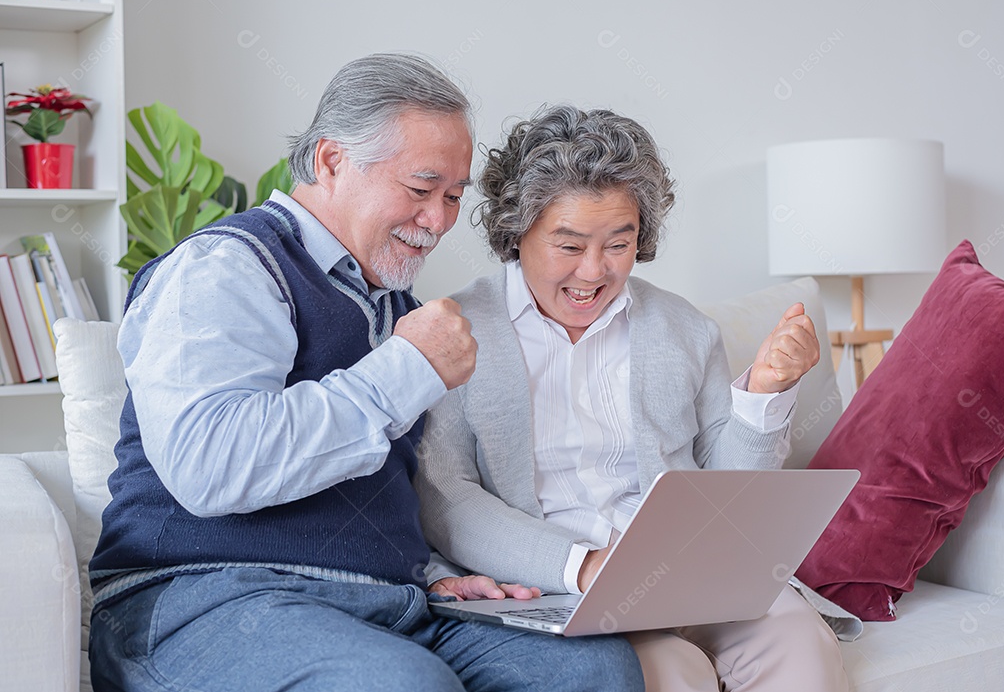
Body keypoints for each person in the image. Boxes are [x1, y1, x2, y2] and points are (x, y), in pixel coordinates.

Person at [88, 56, 645, 692]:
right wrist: (407, 368)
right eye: (420, 188)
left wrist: (433, 570)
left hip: (387, 606)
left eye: (454, 197)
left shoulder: (395, 309)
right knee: (399, 685)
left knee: (592, 668)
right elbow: (211, 466)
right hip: (205, 597)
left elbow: (381, 489)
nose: (438, 221)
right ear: (330, 160)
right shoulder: (224, 268)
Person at [416, 105, 850, 691]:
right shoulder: (456, 330)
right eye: (568, 247)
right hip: (564, 587)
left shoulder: (682, 328)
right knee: (671, 674)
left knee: (801, 647)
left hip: (699, 573)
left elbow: (733, 494)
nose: (593, 272)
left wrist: (765, 393)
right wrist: (583, 566)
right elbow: (445, 496)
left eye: (618, 244)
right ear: (517, 233)